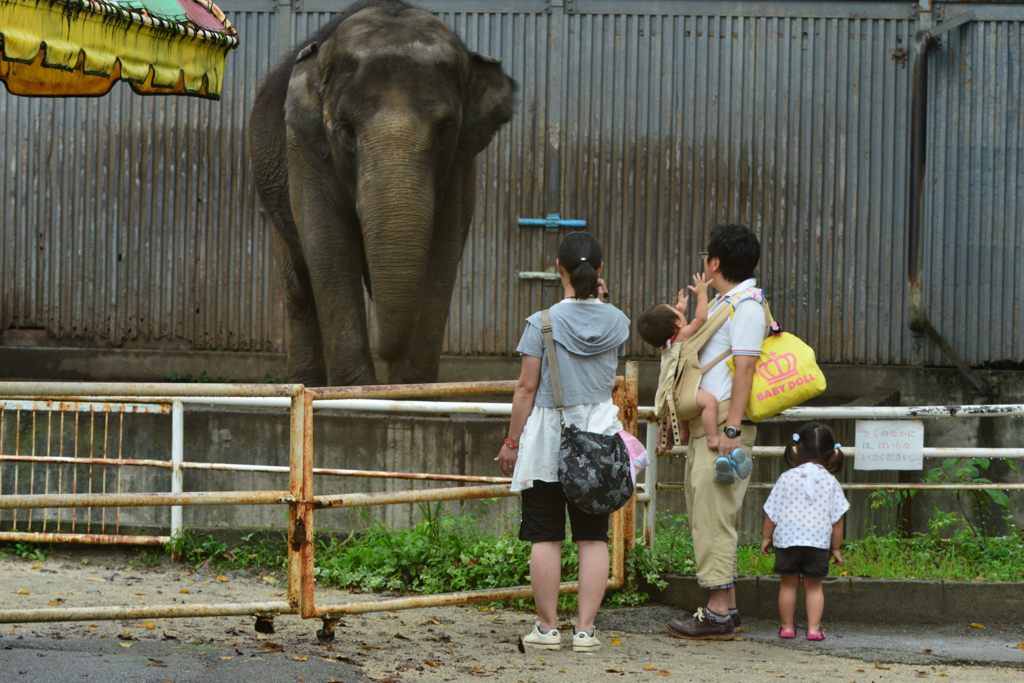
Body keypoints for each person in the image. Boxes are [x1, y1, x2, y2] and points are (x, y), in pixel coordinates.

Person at [495, 231, 630, 653]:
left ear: (559, 268)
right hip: (598, 437)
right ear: (600, 271)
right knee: (593, 538)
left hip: (549, 439)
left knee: (546, 536)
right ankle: (586, 631)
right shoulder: (617, 321)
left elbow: (525, 389)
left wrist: (511, 442)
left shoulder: (543, 323)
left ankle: (548, 627)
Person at [665, 223, 767, 640]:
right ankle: (725, 606)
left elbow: (744, 368)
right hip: (717, 421)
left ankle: (719, 611)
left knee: (716, 515)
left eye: (707, 256)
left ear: (715, 262)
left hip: (726, 422)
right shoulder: (732, 302)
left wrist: (731, 427)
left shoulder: (746, 306)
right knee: (708, 512)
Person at [761, 422, 849, 641]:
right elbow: (837, 520)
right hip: (817, 543)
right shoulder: (831, 482)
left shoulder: (786, 478)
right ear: (831, 454)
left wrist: (766, 537)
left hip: (788, 541)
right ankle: (813, 629)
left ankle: (787, 627)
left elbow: (771, 513)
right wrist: (835, 548)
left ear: (797, 449)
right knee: (814, 587)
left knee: (788, 585)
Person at [638, 273, 721, 449]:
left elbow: (675, 325)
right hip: (684, 397)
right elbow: (701, 318)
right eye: (676, 311)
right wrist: (702, 294)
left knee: (684, 406)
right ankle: (713, 438)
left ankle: (683, 434)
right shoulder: (683, 336)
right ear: (676, 323)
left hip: (674, 399)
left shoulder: (668, 345)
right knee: (710, 403)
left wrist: (679, 311)